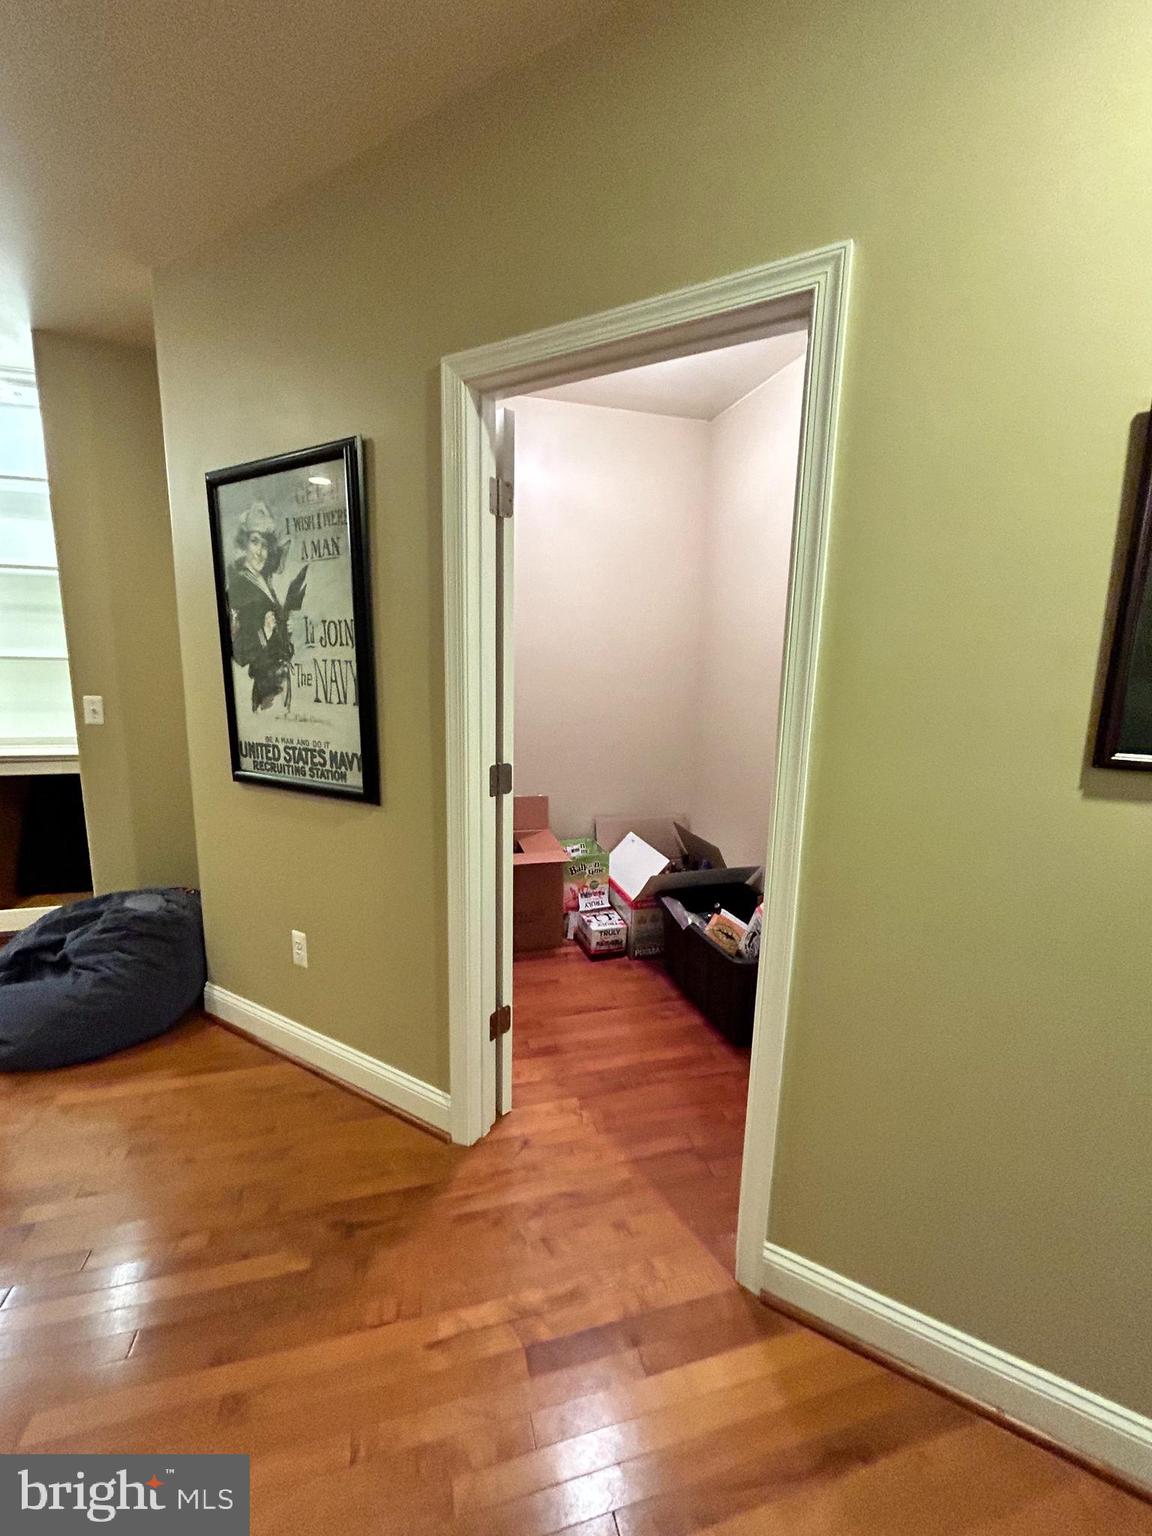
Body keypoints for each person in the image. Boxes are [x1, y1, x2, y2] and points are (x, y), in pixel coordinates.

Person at [226, 503, 307, 711]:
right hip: (265, 689)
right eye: (254, 542)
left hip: (279, 682)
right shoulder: (238, 585)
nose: (260, 552)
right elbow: (239, 651)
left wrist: (284, 631)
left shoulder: (261, 581)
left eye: (264, 546)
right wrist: (266, 632)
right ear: (244, 544)